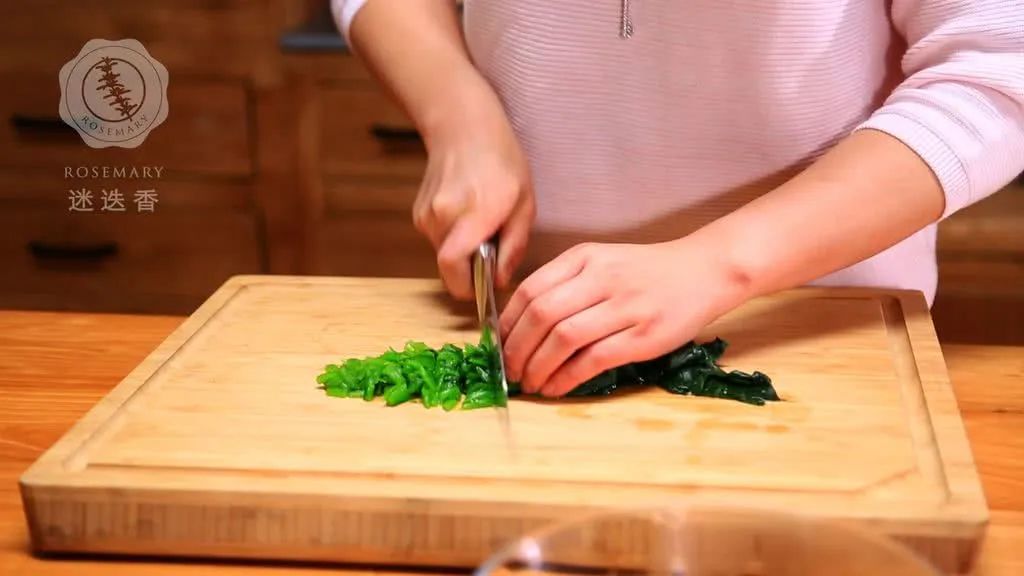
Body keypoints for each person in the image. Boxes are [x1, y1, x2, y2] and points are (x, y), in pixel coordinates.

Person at [330, 1, 1024, 397]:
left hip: (816, 341)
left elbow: (997, 72)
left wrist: (718, 263)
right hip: (526, 322)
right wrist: (457, 110)